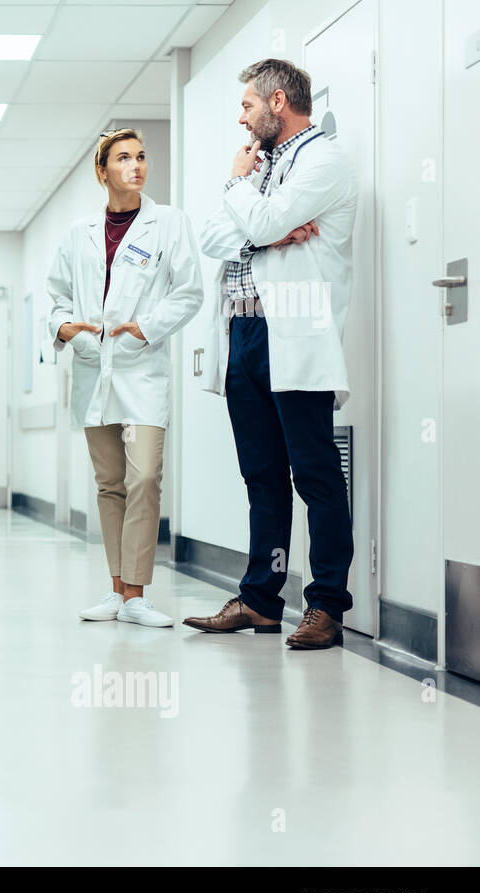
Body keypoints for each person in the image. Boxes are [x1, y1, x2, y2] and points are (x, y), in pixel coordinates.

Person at [182, 58, 357, 650]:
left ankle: (327, 605)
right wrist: (261, 223)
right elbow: (212, 236)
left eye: (248, 106)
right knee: (261, 476)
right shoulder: (261, 165)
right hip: (243, 336)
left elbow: (264, 219)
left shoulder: (325, 160)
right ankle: (261, 599)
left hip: (297, 332)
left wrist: (247, 201)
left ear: (278, 101)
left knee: (315, 473)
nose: (242, 116)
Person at [46, 129, 203, 627]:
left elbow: (189, 290)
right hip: (95, 371)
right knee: (110, 483)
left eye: (140, 157)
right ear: (102, 171)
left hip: (143, 371)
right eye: (123, 158)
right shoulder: (79, 233)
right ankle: (117, 590)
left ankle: (136, 593)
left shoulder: (169, 224)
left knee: (145, 477)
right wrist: (66, 328)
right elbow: (56, 298)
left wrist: (148, 328)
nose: (135, 166)